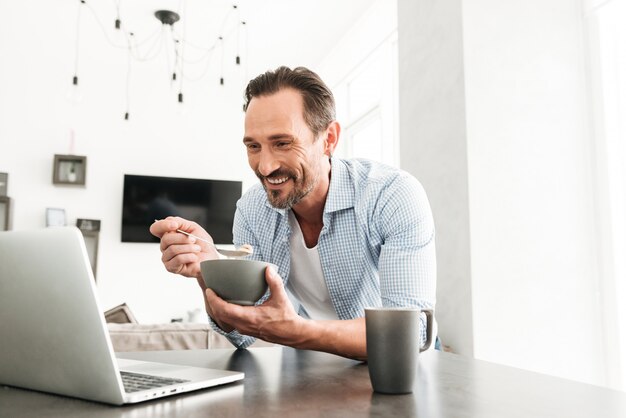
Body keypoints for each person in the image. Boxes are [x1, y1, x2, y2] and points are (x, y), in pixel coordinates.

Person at [150, 66, 436, 360]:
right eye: (253, 146)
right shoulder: (251, 211)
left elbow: (411, 332)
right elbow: (242, 332)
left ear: (329, 139)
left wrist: (298, 332)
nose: (264, 167)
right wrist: (208, 271)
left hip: (398, 370)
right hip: (313, 367)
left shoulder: (392, 194)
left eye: (282, 143)